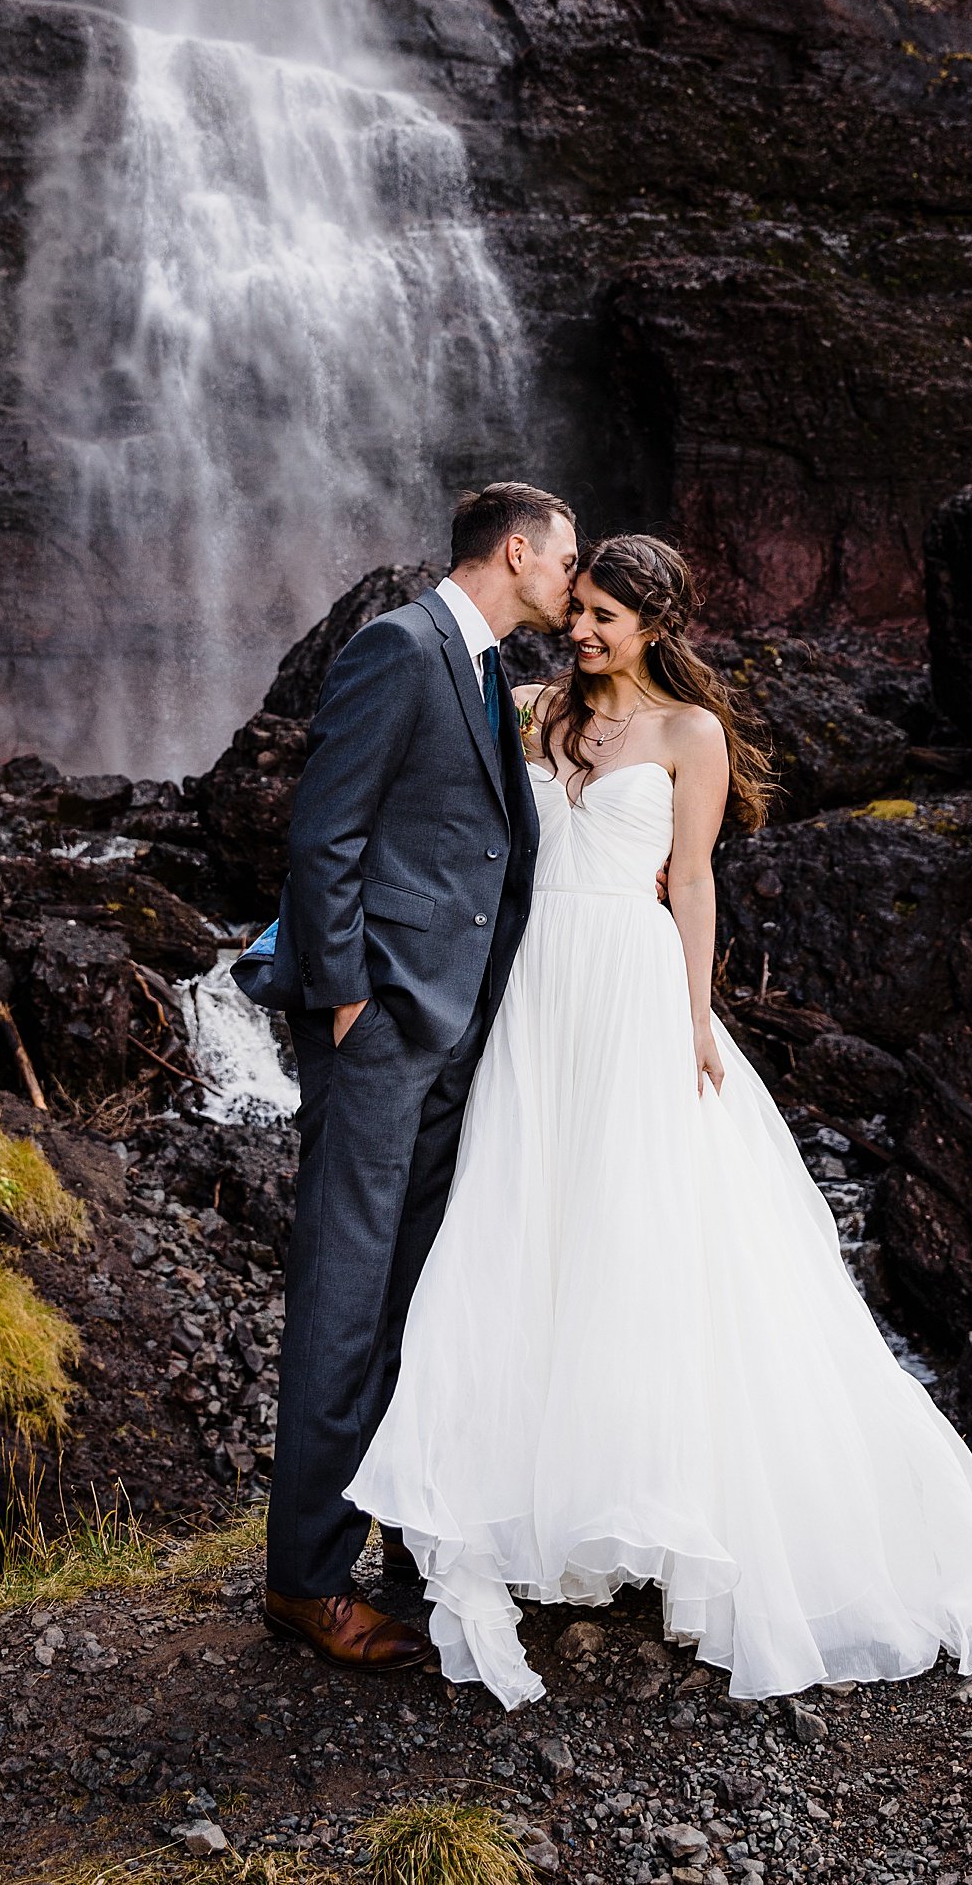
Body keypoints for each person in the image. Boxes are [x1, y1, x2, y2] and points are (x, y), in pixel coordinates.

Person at [350, 532, 972, 1706]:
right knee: (524, 1219)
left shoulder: (689, 734)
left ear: (655, 627)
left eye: (609, 617)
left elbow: (694, 878)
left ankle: (657, 1505)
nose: (585, 629)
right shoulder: (523, 708)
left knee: (635, 1230)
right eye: (583, 608)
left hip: (624, 981)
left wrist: (698, 1013)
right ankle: (539, 1509)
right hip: (529, 989)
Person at [260, 481, 580, 1670]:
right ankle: (304, 1579)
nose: (573, 579)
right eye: (566, 558)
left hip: (453, 1026)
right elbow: (323, 830)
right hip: (385, 1024)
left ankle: (403, 1527)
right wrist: (346, 992)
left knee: (414, 1291)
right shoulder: (402, 645)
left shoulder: (489, 665)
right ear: (515, 551)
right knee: (346, 1298)